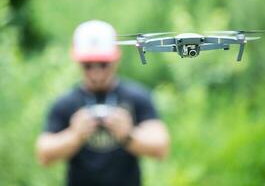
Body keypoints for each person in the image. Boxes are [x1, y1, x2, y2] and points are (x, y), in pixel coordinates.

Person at [36, 20, 170, 186]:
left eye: (103, 64)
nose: (96, 72)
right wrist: (75, 135)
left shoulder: (137, 97)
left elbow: (161, 147)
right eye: (88, 65)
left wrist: (128, 136)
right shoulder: (65, 103)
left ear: (116, 58)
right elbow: (43, 154)